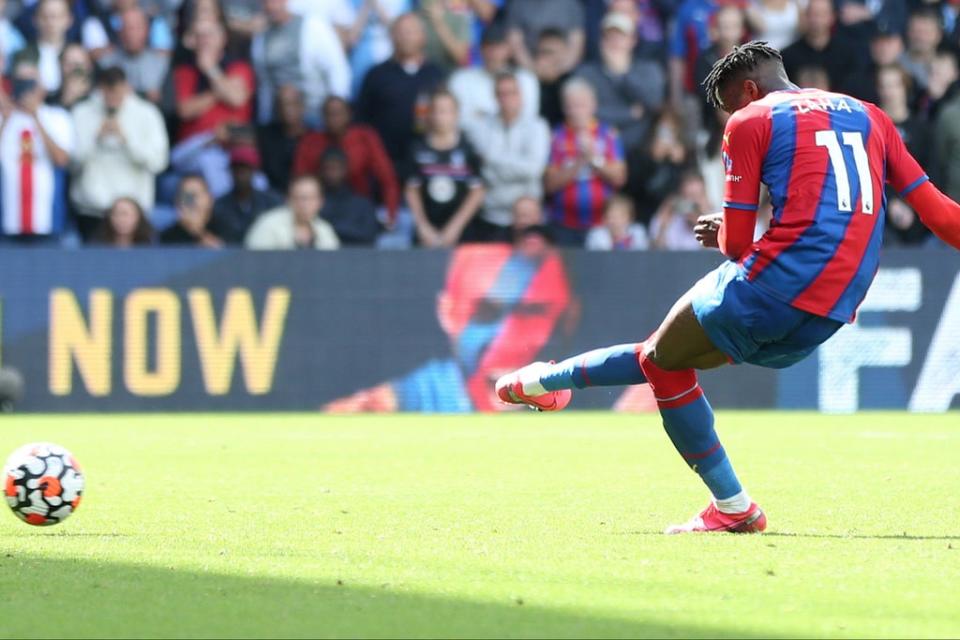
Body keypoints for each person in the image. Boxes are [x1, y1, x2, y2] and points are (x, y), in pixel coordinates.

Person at [494, 42, 960, 534]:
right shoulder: (869, 116)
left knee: (660, 361)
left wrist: (724, 233)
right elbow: (937, 211)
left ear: (749, 91)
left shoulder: (751, 119)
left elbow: (737, 245)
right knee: (666, 357)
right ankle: (539, 383)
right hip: (831, 312)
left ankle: (732, 505)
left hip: (776, 283)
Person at [324, 243, 572, 412]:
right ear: (447, 312)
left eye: (533, 312)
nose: (506, 339)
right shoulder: (395, 402)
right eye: (485, 313)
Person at [70, 66, 169, 241]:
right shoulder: (81, 112)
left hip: (134, 214)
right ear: (100, 89)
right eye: (107, 93)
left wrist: (127, 141)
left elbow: (158, 162)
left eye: (116, 92)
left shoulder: (147, 114)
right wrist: (96, 139)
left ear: (126, 87)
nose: (112, 99)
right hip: (92, 210)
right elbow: (71, 163)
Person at [355, 12, 445, 175]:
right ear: (391, 36)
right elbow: (361, 120)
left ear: (423, 36)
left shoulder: (436, 74)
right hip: (383, 163)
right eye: (401, 32)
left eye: (411, 32)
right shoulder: (376, 75)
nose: (406, 37)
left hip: (428, 163)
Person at [465, 71, 550, 242]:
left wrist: (492, 159)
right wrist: (515, 166)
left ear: (520, 95)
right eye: (501, 94)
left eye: (511, 92)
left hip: (527, 219)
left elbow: (533, 170)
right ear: (494, 97)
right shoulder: (481, 127)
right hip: (491, 216)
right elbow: (485, 173)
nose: (506, 98)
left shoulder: (537, 127)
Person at [544, 78, 627, 246]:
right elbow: (549, 184)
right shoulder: (556, 136)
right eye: (571, 105)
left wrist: (594, 159)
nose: (576, 111)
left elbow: (620, 178)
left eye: (581, 105)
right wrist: (578, 162)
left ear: (593, 105)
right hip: (564, 224)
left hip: (602, 226)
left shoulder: (608, 134)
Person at [292, 96, 400, 223]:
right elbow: (299, 181)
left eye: (338, 114)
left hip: (360, 209)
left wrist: (390, 214)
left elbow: (388, 179)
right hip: (320, 211)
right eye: (329, 114)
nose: (334, 119)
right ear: (322, 117)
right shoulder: (310, 141)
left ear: (349, 114)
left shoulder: (365, 138)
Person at [0, 60, 73, 242]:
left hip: (46, 218)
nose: (26, 89)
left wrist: (36, 118)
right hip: (6, 217)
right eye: (20, 82)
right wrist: (6, 118)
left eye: (31, 83)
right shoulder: (4, 118)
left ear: (42, 87)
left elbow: (61, 159)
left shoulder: (57, 117)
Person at [405, 89, 485, 247]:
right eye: (435, 110)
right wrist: (422, 226)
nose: (439, 116)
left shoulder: (468, 149)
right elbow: (412, 189)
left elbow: (477, 191)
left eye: (445, 111)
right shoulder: (417, 148)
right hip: (427, 232)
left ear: (456, 114)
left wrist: (455, 227)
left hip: (461, 233)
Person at [575, 11, 665, 152]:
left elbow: (654, 103)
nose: (614, 42)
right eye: (609, 37)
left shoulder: (649, 69)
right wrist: (629, 114)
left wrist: (623, 75)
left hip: (640, 148)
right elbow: (581, 112)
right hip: (597, 147)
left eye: (621, 37)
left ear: (633, 40)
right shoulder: (585, 73)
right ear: (601, 41)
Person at [252, 0, 351, 125]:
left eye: (275, 1)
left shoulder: (313, 26)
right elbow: (265, 85)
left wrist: (336, 112)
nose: (271, 6)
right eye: (266, 2)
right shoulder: (261, 38)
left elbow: (337, 68)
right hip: (280, 120)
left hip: (316, 115)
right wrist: (264, 119)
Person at [449, 21, 539, 134]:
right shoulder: (461, 79)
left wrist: (482, 116)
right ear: (480, 49)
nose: (493, 53)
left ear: (508, 50)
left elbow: (528, 120)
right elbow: (458, 122)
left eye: (498, 47)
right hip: (473, 145)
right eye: (488, 47)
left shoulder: (526, 79)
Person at [173, 18, 254, 142]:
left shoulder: (238, 67)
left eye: (209, 35)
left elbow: (236, 99)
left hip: (235, 140)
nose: (204, 41)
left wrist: (211, 70)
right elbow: (184, 111)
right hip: (197, 142)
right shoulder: (185, 71)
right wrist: (220, 91)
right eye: (199, 36)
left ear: (223, 38)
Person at [209, 145, 283, 245]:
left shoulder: (271, 202)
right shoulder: (219, 205)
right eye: (236, 170)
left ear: (253, 171)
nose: (240, 175)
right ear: (230, 172)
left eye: (244, 170)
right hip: (229, 257)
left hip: (264, 257)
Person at [781, 0, 862, 91]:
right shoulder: (787, 56)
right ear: (805, 16)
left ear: (832, 17)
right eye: (812, 14)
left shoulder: (848, 54)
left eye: (821, 15)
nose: (816, 20)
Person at [245, 175, 340, 250]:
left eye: (310, 198)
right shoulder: (268, 224)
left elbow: (334, 265)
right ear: (288, 200)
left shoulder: (325, 230)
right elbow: (255, 263)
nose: (304, 204)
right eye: (300, 198)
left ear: (320, 201)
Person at [98, 6, 170, 105]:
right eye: (127, 28)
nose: (131, 33)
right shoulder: (106, 62)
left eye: (137, 27)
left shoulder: (161, 62)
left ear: (147, 30)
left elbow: (169, 105)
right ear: (120, 32)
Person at [317, 146, 381, 245]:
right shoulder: (314, 204)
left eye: (336, 168)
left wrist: (331, 229)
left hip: (357, 257)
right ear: (321, 171)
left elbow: (369, 236)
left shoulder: (362, 205)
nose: (332, 173)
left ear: (345, 170)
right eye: (328, 168)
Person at [506, 0, 584, 72]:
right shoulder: (518, 4)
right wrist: (533, 68)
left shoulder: (571, 4)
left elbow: (577, 43)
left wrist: (561, 69)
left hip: (567, 69)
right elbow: (515, 42)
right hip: (530, 66)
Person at [257, 84, 308, 194]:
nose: (286, 109)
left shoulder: (313, 138)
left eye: (291, 104)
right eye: (281, 105)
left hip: (305, 196)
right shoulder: (265, 134)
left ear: (302, 107)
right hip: (273, 195)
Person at [649, 171, 710, 250]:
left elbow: (713, 257)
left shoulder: (716, 218)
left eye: (697, 196)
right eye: (689, 196)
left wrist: (701, 227)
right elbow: (655, 254)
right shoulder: (669, 217)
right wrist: (663, 226)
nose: (693, 202)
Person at [159, 173, 222, 247]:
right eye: (186, 196)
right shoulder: (167, 238)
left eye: (194, 195)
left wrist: (198, 232)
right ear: (177, 201)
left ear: (209, 198)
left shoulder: (226, 227)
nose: (190, 203)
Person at [585, 193, 650, 250]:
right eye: (611, 217)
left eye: (621, 217)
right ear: (604, 218)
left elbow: (642, 256)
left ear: (630, 219)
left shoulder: (638, 232)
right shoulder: (596, 235)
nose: (616, 221)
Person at [419, 0, 471, 71]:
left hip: (448, 74)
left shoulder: (458, 19)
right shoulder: (412, 18)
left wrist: (438, 22)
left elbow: (461, 57)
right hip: (421, 74)